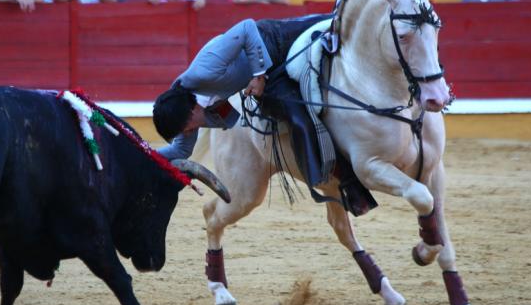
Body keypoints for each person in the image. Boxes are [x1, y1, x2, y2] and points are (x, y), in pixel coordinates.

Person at [152, 14, 378, 216]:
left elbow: (246, 27)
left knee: (341, 24)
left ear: (192, 109)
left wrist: (259, 75)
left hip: (276, 42)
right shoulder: (181, 109)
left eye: (188, 128)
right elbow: (179, 150)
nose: (190, 132)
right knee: (298, 119)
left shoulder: (203, 70)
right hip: (272, 78)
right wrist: (141, 154)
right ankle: (346, 183)